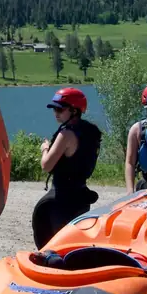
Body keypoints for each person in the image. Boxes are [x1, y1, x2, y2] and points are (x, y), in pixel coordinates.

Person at [32, 88, 103, 250]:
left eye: (60, 109)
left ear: (74, 110)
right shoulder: (90, 132)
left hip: (61, 199)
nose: (56, 113)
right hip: (81, 195)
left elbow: (46, 165)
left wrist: (45, 148)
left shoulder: (66, 135)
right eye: (54, 109)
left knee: (56, 246)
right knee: (75, 243)